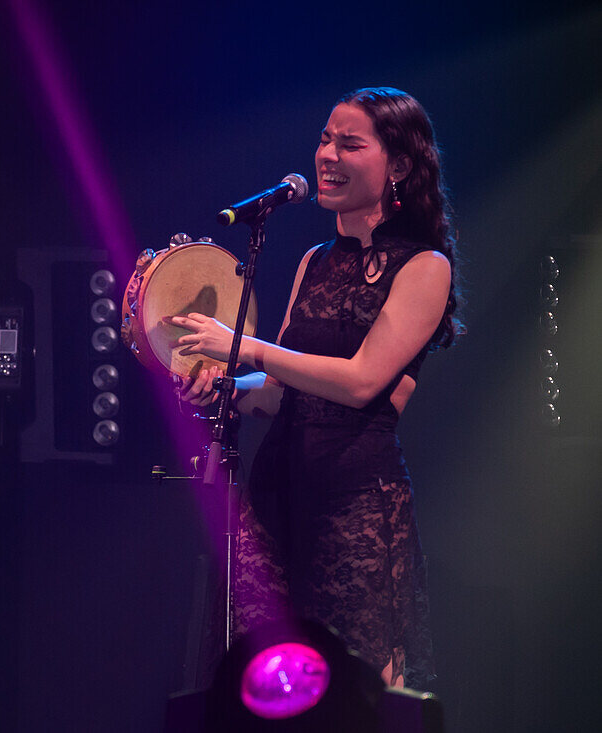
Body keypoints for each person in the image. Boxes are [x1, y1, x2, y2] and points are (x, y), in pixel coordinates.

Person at [170, 87, 460, 688]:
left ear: (399, 165)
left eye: (350, 143)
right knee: (256, 680)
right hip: (279, 493)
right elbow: (279, 391)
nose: (328, 154)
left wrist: (246, 348)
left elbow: (361, 383)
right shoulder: (313, 261)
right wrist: (225, 383)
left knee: (353, 692)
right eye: (326, 139)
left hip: (353, 501)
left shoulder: (425, 267)